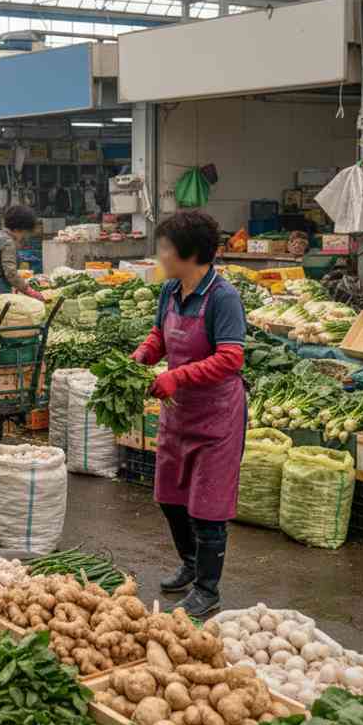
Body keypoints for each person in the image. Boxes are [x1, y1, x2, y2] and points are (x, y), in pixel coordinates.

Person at [131, 210, 247, 618]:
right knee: (171, 496)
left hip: (216, 416)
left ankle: (207, 588)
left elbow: (231, 358)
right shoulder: (170, 290)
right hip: (178, 413)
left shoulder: (222, 296)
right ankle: (191, 563)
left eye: (164, 247)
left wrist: (177, 377)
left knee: (207, 506)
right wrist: (144, 355)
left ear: (190, 252)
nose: (159, 254)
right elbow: (160, 334)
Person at [0, 205, 45, 301]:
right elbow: (11, 273)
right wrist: (30, 291)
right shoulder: (7, 242)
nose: (25, 237)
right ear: (18, 229)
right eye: (25, 233)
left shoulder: (0, 235)